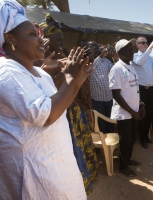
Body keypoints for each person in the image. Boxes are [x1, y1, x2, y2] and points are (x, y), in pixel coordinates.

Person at [0, 0, 93, 198]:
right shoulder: (6, 71)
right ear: (10, 39)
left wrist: (76, 82)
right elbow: (46, 115)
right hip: (35, 172)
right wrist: (69, 79)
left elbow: (59, 105)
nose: (41, 39)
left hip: (58, 165)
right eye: (33, 35)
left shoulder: (40, 74)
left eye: (40, 34)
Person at [39, 15, 99, 194]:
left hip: (74, 105)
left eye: (63, 39)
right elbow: (48, 88)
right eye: (58, 39)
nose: (61, 42)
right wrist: (65, 76)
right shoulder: (40, 61)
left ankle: (87, 177)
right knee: (69, 144)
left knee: (80, 140)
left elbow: (76, 80)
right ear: (47, 40)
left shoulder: (66, 55)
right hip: (58, 109)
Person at [109, 38, 146, 177]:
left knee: (132, 139)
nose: (132, 51)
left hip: (135, 111)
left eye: (132, 49)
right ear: (120, 52)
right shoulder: (116, 69)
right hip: (124, 113)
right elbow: (116, 95)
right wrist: (131, 112)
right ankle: (122, 167)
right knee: (125, 140)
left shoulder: (131, 67)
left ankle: (128, 159)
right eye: (129, 50)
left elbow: (135, 89)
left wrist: (141, 104)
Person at [132, 36, 153, 149]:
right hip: (140, 89)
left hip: (150, 89)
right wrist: (151, 46)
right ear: (137, 45)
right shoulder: (135, 56)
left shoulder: (150, 58)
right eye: (142, 43)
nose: (145, 44)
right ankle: (142, 138)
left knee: (149, 114)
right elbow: (140, 62)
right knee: (142, 115)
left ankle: (146, 136)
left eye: (146, 43)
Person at [88, 41, 115, 134]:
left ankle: (111, 145)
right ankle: (102, 146)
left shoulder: (105, 61)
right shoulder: (87, 61)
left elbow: (114, 71)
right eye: (94, 48)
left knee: (110, 122)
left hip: (109, 98)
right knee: (100, 124)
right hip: (97, 100)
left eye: (97, 48)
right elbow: (89, 70)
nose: (97, 50)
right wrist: (100, 56)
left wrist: (114, 57)